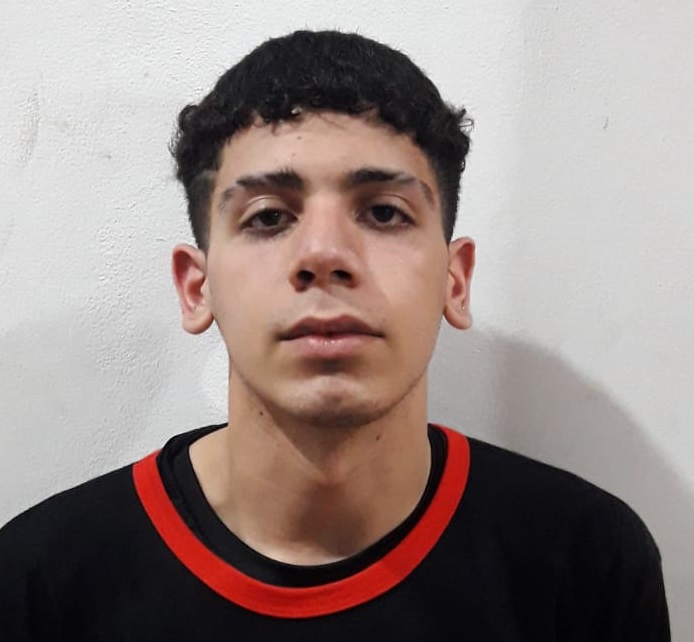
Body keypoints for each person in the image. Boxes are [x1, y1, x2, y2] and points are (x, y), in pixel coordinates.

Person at [0, 30, 669, 640]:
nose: (324, 254)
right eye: (268, 218)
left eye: (384, 212)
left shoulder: (585, 562)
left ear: (455, 281)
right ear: (197, 288)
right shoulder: (42, 582)